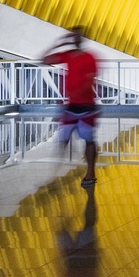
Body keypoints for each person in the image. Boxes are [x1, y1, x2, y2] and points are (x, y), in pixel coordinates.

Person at [44, 28, 100, 186]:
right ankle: (54, 174)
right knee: (63, 139)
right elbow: (44, 60)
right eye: (73, 36)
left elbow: (90, 81)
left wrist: (73, 94)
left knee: (88, 139)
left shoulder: (90, 58)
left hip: (86, 105)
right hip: (71, 106)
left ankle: (90, 172)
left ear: (83, 39)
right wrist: (58, 43)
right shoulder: (67, 55)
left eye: (78, 36)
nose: (76, 39)